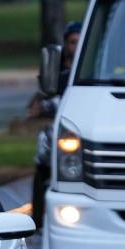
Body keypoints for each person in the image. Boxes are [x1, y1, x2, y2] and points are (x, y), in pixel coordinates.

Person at [28, 21, 82, 229]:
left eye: (80, 42)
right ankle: (39, 220)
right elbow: (36, 105)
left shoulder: (92, 71)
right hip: (56, 134)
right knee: (43, 162)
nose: (76, 47)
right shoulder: (55, 76)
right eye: (72, 42)